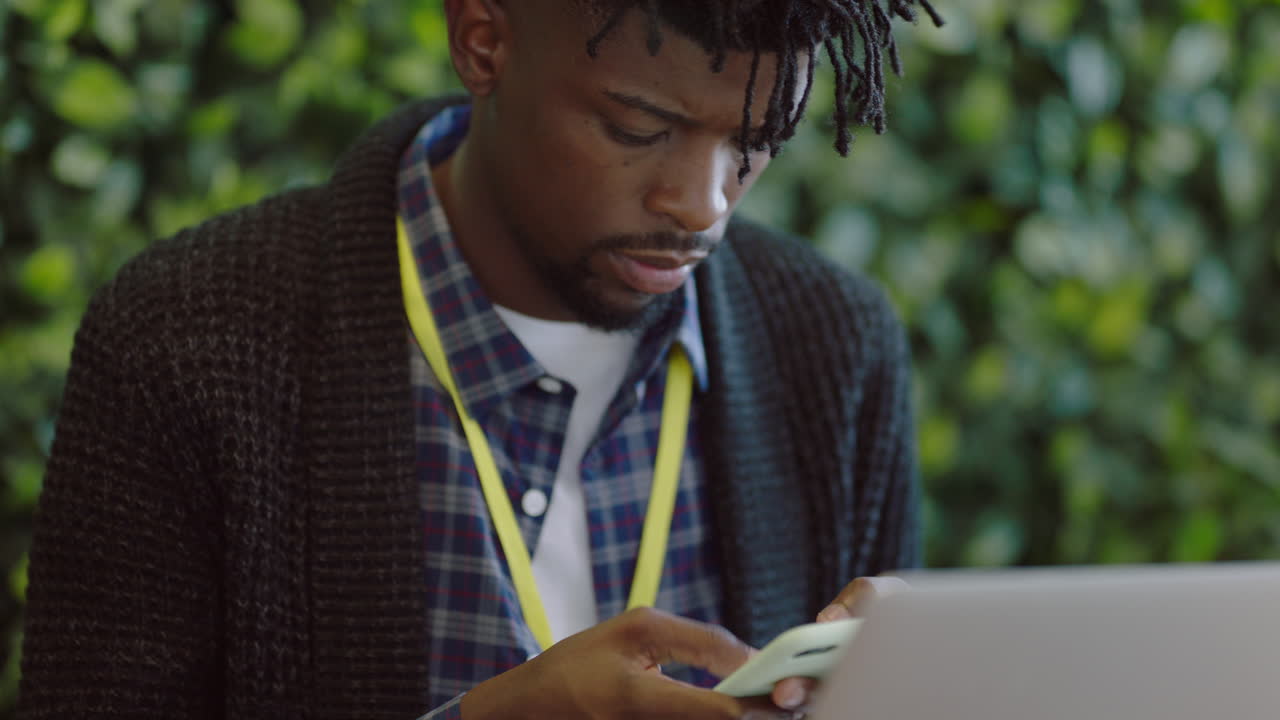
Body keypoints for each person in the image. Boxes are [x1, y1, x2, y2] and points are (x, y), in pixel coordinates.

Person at [18, 1, 940, 718]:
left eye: (755, 141)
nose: (703, 205)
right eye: (636, 128)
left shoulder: (836, 350)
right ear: (483, 40)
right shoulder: (185, 344)